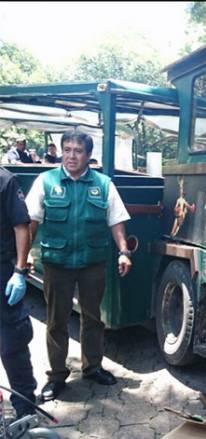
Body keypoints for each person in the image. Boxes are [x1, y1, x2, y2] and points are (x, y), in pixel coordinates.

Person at [25, 129, 133, 401]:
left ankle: (93, 367)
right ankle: (57, 376)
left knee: (93, 318)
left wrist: (123, 251)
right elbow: (31, 221)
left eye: (78, 151)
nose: (72, 156)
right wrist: (24, 254)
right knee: (56, 321)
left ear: (88, 155)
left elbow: (116, 221)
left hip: (92, 263)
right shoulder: (45, 181)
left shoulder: (104, 184)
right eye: (68, 149)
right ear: (62, 150)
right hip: (56, 264)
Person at [0, 166, 37, 419]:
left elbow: (21, 227)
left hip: (2, 270)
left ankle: (25, 414)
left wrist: (19, 270)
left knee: (13, 342)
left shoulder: (4, 180)